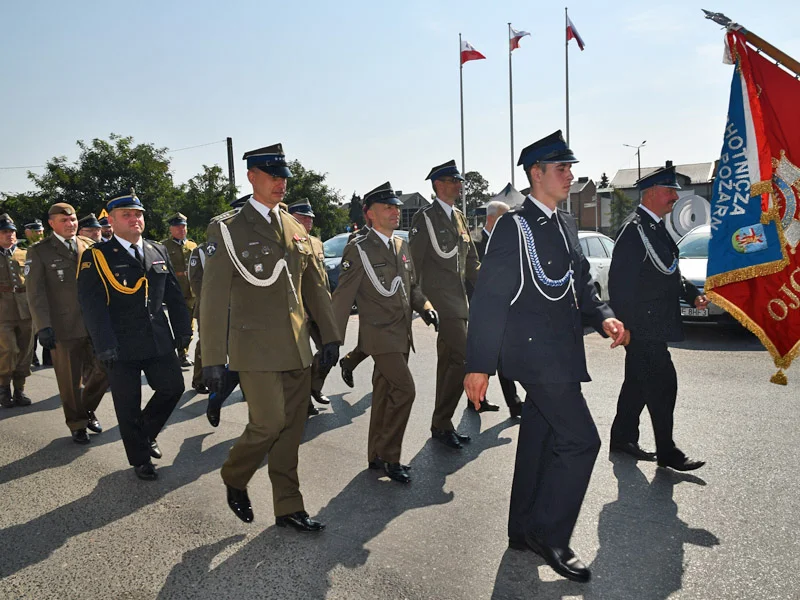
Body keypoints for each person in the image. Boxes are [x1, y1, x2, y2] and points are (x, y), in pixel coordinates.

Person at [464, 131, 627, 583]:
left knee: (539, 439)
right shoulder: (514, 228)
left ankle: (521, 530)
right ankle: (550, 535)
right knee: (581, 441)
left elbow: (581, 283)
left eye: (570, 168)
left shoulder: (566, 222)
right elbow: (489, 302)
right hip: (535, 359)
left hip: (562, 354)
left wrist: (604, 316)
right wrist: (478, 365)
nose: (571, 176)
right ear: (537, 175)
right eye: (562, 169)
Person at [200, 144, 341, 530]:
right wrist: (211, 357)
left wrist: (329, 336)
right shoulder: (227, 228)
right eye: (272, 176)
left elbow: (315, 288)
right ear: (252, 177)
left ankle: (288, 506)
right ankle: (234, 475)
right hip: (254, 347)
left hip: (296, 347)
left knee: (291, 430)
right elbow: (211, 298)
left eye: (283, 177)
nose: (280, 183)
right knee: (269, 423)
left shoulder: (296, 227)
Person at [77, 189, 191, 480]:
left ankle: (144, 433)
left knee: (172, 388)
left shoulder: (156, 250)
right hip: (119, 344)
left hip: (157, 338)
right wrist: (103, 344)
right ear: (111, 221)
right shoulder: (96, 256)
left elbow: (175, 297)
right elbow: (92, 306)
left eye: (138, 214)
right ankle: (141, 459)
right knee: (127, 405)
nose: (134, 219)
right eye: (126, 215)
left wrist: (182, 331)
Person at [332, 182, 438, 483]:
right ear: (370, 214)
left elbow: (412, 287)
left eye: (396, 206)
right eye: (388, 207)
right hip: (380, 336)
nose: (396, 211)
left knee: (384, 393)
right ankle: (391, 457)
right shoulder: (360, 248)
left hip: (402, 333)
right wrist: (332, 339)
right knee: (406, 391)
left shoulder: (401, 246)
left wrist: (426, 307)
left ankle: (376, 455)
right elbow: (343, 296)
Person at [608, 164, 707, 471]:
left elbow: (668, 272)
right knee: (664, 384)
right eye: (669, 191)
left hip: (653, 325)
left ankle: (622, 437)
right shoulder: (634, 230)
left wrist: (692, 294)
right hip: (642, 328)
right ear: (650, 194)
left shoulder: (654, 228)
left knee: (637, 384)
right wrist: (625, 328)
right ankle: (668, 452)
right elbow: (618, 285)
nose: (675, 198)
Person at [409, 159, 485, 451]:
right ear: (439, 185)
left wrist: (491, 292)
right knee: (465, 356)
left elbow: (471, 262)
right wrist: (420, 303)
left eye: (460, 181)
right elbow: (412, 267)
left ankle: (440, 424)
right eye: (454, 181)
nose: (460, 185)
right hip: (441, 302)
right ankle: (443, 421)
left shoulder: (459, 217)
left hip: (459, 301)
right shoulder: (425, 219)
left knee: (451, 362)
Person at [26, 203, 108, 443]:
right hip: (63, 326)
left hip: (94, 323)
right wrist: (43, 326)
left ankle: (87, 408)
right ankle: (77, 423)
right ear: (51, 223)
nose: (70, 224)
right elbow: (35, 293)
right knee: (70, 380)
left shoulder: (89, 246)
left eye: (72, 220)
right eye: (64, 221)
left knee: (106, 369)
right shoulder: (39, 251)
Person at [472, 200, 523, 419]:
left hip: (504, 308)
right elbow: (473, 276)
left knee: (500, 355)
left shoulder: (507, 242)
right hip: (483, 309)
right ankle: (508, 403)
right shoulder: (475, 242)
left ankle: (484, 400)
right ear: (492, 218)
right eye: (505, 218)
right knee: (492, 354)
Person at [287, 198, 334, 415]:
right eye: (303, 217)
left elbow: (320, 278)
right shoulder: (287, 242)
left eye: (310, 217)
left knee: (329, 350)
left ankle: (315, 387)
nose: (308, 221)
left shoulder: (316, 243)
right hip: (299, 310)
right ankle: (303, 401)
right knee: (301, 360)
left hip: (319, 309)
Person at [0, 214, 34, 408]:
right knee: (8, 350)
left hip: (26, 310)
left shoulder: (25, 254)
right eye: (5, 232)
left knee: (25, 352)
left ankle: (19, 389)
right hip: (3, 311)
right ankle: (3, 388)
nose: (10, 235)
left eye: (12, 232)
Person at [338, 214, 372, 388]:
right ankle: (349, 363)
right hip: (368, 301)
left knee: (379, 344)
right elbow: (350, 273)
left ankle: (388, 386)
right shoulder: (357, 238)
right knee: (371, 343)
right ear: (368, 214)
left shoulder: (390, 237)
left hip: (393, 302)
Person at [162, 212, 198, 368]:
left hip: (193, 291)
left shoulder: (192, 245)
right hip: (176, 291)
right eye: (177, 227)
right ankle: (181, 354)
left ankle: (183, 352)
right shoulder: (164, 246)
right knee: (181, 324)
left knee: (192, 326)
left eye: (183, 226)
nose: (181, 229)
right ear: (171, 229)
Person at [26, 218, 50, 368]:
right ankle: (31, 355)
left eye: (40, 231)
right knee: (30, 330)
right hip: (26, 296)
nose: (39, 233)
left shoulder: (46, 248)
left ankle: (47, 358)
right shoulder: (23, 249)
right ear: (27, 232)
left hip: (47, 295)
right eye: (35, 231)